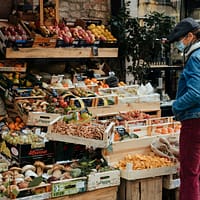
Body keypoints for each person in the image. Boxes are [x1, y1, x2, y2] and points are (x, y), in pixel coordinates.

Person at [168, 17, 200, 200]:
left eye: (180, 40)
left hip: (194, 121)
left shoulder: (195, 58)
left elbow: (196, 93)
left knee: (189, 173)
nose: (178, 45)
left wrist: (176, 106)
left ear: (190, 36)